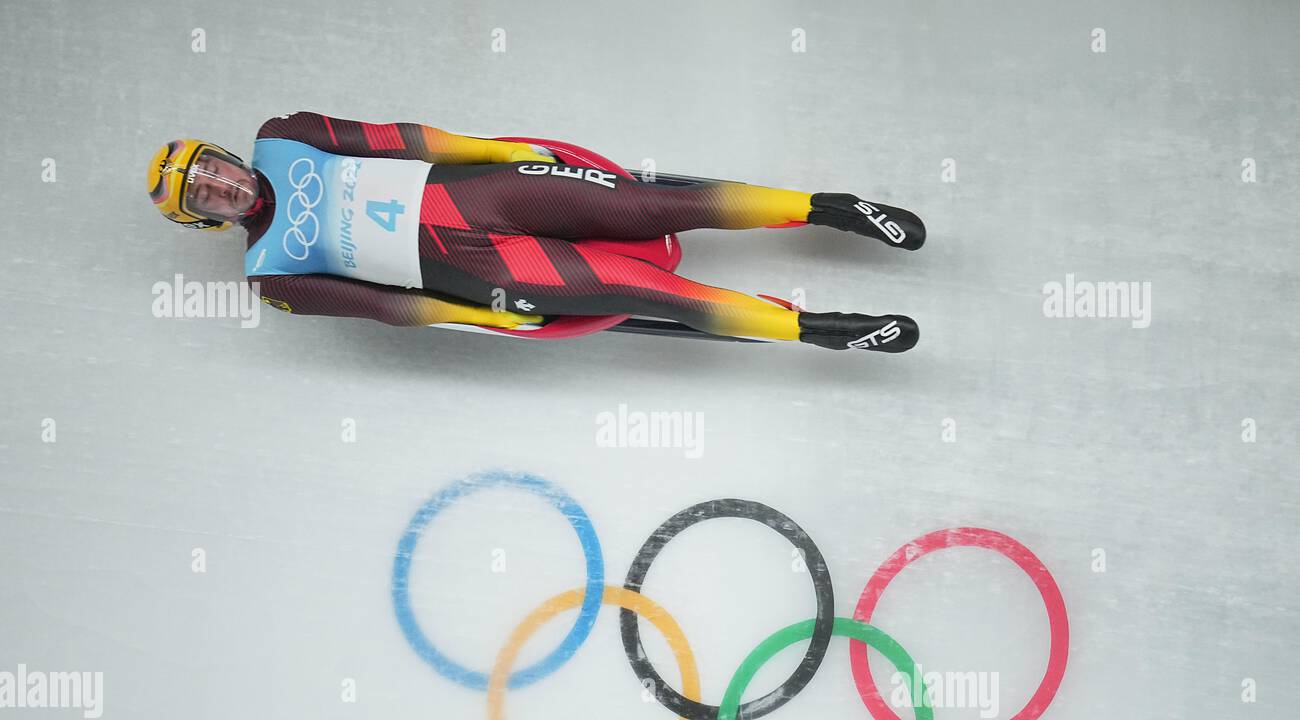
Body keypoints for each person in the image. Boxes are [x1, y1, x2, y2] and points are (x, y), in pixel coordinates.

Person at [146, 112, 925, 351]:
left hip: (490, 190)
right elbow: (386, 308)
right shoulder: (271, 275)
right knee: (660, 291)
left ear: (224, 154)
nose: (222, 184)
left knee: (652, 208)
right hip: (473, 269)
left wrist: (492, 151)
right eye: (207, 197)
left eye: (211, 168)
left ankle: (827, 208)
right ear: (206, 221)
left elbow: (397, 140)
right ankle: (821, 330)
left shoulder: (283, 135)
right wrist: (484, 319)